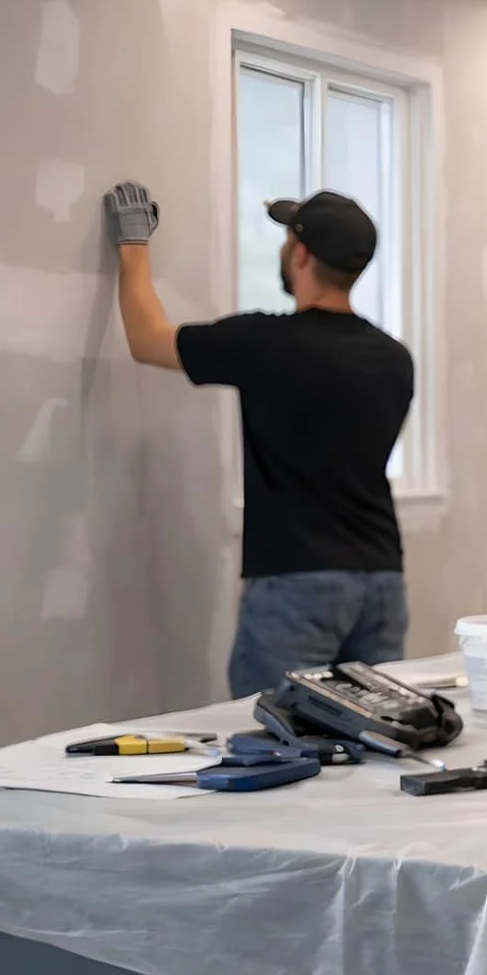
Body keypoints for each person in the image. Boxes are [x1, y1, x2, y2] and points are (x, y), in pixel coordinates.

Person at [106, 184, 416, 699]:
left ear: (301, 254)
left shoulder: (266, 342)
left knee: (280, 737)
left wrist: (133, 242)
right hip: (380, 582)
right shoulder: (394, 359)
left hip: (298, 585)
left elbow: (146, 338)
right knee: (376, 733)